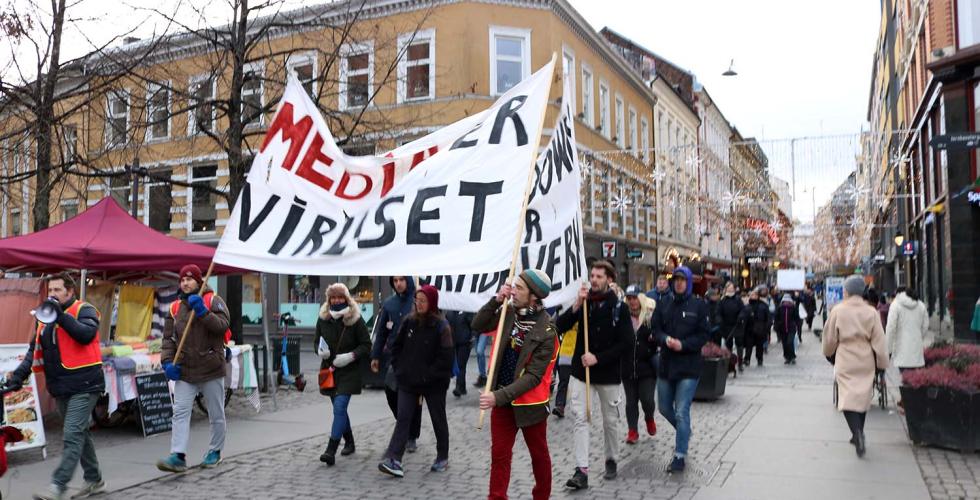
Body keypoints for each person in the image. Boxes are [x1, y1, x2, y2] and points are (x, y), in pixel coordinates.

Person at [4, 273, 105, 500]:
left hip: (86, 384)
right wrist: (18, 377)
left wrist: (60, 316)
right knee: (81, 433)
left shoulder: (84, 310)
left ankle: (57, 485)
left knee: (71, 434)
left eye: (57, 290)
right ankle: (95, 479)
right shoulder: (44, 317)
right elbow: (34, 351)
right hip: (60, 386)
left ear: (70, 291)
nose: (52, 295)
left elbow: (86, 334)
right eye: (50, 291)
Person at [472, 270, 559, 500]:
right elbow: (478, 324)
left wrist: (497, 397)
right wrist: (496, 300)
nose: (513, 290)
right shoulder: (507, 312)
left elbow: (532, 377)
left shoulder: (547, 331)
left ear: (534, 296)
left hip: (531, 405)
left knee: (539, 457)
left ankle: (541, 496)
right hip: (502, 401)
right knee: (499, 456)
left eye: (519, 288)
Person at [555, 260, 632, 489]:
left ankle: (611, 459)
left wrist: (599, 357)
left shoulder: (620, 308)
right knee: (581, 418)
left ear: (609, 279)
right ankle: (581, 470)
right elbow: (560, 325)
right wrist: (577, 304)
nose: (594, 279)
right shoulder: (585, 304)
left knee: (610, 421)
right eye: (593, 276)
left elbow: (627, 343)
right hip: (582, 373)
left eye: (599, 276)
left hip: (607, 374)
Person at [157, 265, 232, 474]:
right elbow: (168, 340)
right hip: (185, 370)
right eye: (182, 280)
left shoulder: (213, 300)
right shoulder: (174, 308)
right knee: (180, 412)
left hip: (210, 367)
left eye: (190, 280)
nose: (185, 283)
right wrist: (167, 362)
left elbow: (222, 326)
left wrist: (202, 312)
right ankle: (178, 455)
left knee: (215, 413)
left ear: (199, 281)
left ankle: (215, 451)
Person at [378, 285, 453, 477]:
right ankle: (393, 458)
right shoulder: (409, 321)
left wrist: (428, 374)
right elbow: (396, 347)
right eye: (417, 300)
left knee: (438, 418)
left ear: (432, 302)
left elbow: (446, 359)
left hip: (434, 382)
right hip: (408, 380)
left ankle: (442, 456)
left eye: (423, 301)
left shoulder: (442, 326)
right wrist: (400, 369)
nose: (419, 304)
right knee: (403, 417)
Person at [822, 275, 888, 458]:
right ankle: (858, 432)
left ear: (848, 291)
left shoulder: (838, 310)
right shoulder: (871, 312)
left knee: (847, 397)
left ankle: (857, 432)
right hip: (865, 357)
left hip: (846, 356)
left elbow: (829, 338)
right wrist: (882, 362)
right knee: (862, 396)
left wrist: (829, 353)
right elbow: (880, 340)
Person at [651, 267, 709, 473]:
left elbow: (703, 335)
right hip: (667, 365)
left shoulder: (698, 305)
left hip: (689, 366)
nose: (678, 283)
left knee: (682, 412)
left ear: (688, 283)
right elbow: (655, 328)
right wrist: (665, 339)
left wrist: (683, 345)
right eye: (675, 279)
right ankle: (685, 433)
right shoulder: (663, 303)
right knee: (664, 408)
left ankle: (679, 455)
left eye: (682, 280)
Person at [315, 283, 371, 466]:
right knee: (339, 409)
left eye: (340, 297)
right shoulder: (323, 318)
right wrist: (320, 351)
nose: (336, 300)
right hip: (330, 369)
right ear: (329, 299)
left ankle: (330, 450)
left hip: (349, 370)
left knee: (339, 407)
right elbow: (317, 341)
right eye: (333, 297)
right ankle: (350, 440)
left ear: (346, 299)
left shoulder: (355, 319)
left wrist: (351, 356)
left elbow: (366, 345)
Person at [370, 276, 423, 453]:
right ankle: (404, 423)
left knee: (412, 399)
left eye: (401, 279)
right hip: (395, 358)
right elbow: (382, 332)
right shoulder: (389, 304)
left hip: (416, 358)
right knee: (390, 391)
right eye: (395, 280)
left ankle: (411, 435)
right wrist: (375, 355)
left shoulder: (418, 301)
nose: (398, 283)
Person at [621, 285, 658, 445]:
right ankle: (632, 431)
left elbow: (657, 337)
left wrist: (653, 340)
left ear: (640, 299)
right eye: (629, 298)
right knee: (631, 402)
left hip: (647, 368)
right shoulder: (622, 317)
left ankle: (649, 418)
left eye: (635, 298)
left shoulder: (649, 317)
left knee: (647, 399)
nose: (632, 301)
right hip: (627, 367)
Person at [885, 288, 928, 376]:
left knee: (905, 382)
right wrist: (918, 338)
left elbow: (890, 328)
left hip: (901, 353)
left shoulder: (895, 305)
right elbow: (925, 326)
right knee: (917, 382)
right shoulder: (921, 305)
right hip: (917, 353)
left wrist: (888, 349)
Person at [446, 310, 476, 398]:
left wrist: (473, 336)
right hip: (453, 342)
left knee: (461, 364)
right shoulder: (450, 312)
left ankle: (459, 387)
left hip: (465, 342)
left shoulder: (467, 311)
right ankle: (462, 387)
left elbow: (473, 325)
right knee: (456, 365)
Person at [552, 318, 577, 419]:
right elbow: (556, 327)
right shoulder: (564, 315)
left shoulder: (585, 313)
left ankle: (583, 406)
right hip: (566, 353)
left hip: (580, 354)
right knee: (563, 380)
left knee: (582, 383)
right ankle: (560, 406)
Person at [743, 289, 771, 368]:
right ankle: (747, 359)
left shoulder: (763, 306)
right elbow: (743, 317)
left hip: (760, 329)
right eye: (751, 295)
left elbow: (768, 318)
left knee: (759, 346)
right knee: (749, 345)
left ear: (758, 296)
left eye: (755, 295)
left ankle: (759, 359)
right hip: (749, 329)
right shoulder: (747, 306)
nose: (753, 296)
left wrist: (766, 328)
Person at [717, 282, 745, 359]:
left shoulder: (738, 299)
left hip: (737, 325)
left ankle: (740, 361)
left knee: (739, 343)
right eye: (728, 287)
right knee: (728, 344)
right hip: (726, 325)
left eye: (731, 288)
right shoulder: (722, 300)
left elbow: (743, 309)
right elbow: (718, 312)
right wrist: (719, 320)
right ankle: (729, 361)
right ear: (726, 289)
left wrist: (740, 316)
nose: (730, 289)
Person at [774, 293, 801, 365]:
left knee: (790, 342)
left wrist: (797, 326)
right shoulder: (779, 308)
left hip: (791, 328)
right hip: (782, 328)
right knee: (784, 344)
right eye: (785, 301)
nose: (786, 302)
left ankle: (792, 357)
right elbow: (776, 318)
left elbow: (797, 318)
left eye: (788, 301)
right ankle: (787, 357)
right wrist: (776, 326)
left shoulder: (793, 308)